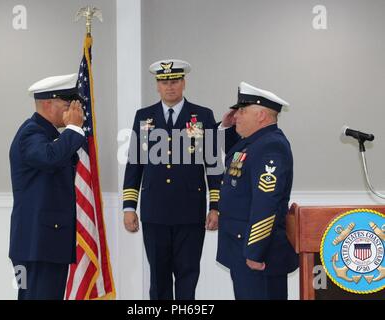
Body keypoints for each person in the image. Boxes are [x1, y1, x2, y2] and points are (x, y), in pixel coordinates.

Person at [122, 59, 222, 300]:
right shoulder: (144, 117)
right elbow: (135, 164)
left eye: (175, 81)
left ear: (184, 83)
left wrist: (215, 207)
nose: (170, 87)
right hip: (154, 212)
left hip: (189, 211)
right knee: (158, 279)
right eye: (164, 82)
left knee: (187, 277)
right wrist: (128, 207)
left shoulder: (202, 116)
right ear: (157, 85)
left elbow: (213, 165)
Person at [216, 81, 299, 300]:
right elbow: (235, 157)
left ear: (261, 115)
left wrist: (255, 251)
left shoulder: (271, 146)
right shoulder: (256, 143)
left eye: (242, 111)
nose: (236, 116)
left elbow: (266, 203)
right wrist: (226, 128)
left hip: (257, 255)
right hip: (242, 249)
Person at [9, 73, 86, 300]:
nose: (72, 111)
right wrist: (74, 129)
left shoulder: (48, 134)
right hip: (38, 244)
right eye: (67, 104)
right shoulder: (31, 133)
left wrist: (71, 132)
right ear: (47, 103)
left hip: (44, 243)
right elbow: (49, 157)